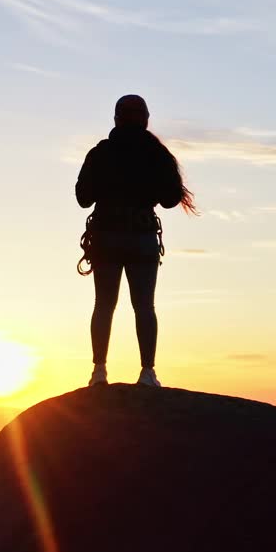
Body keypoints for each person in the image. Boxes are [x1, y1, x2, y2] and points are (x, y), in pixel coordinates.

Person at [75, 94, 197, 387]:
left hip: (106, 236)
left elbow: (83, 197)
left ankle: (99, 372)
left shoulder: (100, 153)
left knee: (104, 304)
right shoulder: (157, 154)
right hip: (141, 237)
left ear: (116, 119)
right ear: (145, 119)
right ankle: (147, 373)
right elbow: (170, 199)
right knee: (144, 306)